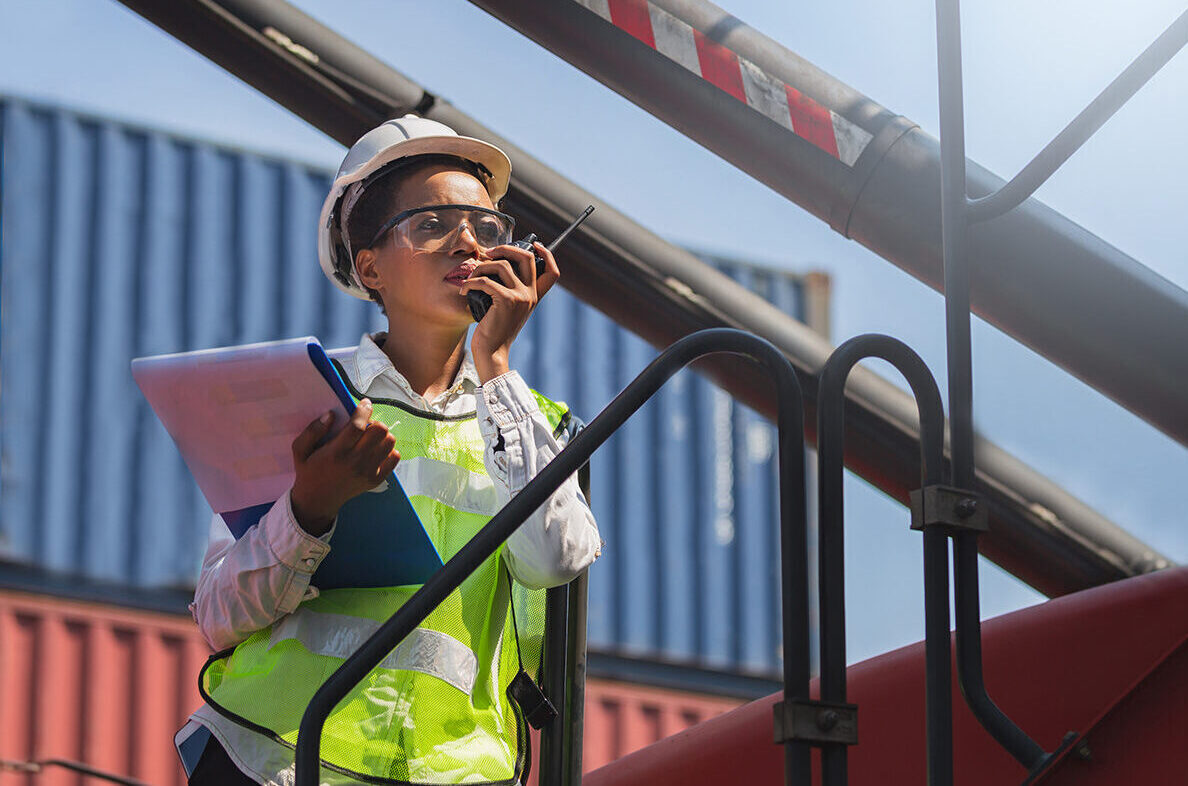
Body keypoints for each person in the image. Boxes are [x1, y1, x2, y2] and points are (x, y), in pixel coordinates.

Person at [174, 116, 601, 786]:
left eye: (486, 228)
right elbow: (220, 616)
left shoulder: (533, 422)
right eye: (432, 223)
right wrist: (307, 509)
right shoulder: (305, 400)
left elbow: (555, 561)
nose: (467, 241)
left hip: (451, 771)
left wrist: (495, 363)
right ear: (369, 265)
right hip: (277, 761)